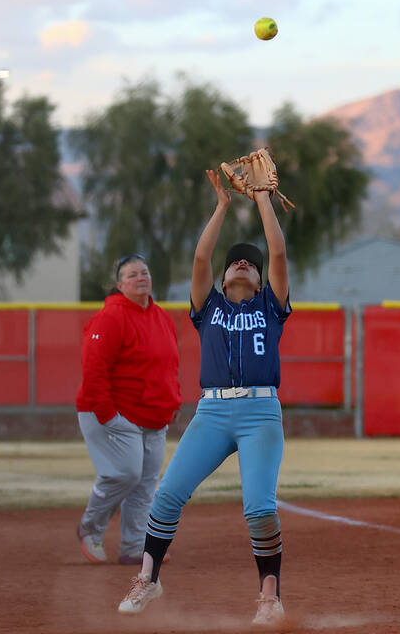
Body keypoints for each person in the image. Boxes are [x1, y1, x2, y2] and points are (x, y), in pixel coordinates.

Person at [117, 169, 291, 627]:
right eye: (236, 261)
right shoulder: (208, 308)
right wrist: (220, 207)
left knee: (259, 507)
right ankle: (148, 579)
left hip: (259, 412)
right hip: (212, 410)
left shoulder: (270, 308)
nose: (241, 264)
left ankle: (269, 597)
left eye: (249, 264)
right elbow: (199, 258)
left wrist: (261, 200)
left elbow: (276, 250)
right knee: (168, 494)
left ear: (258, 280)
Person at [75, 254, 182, 565]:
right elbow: (93, 369)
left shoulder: (161, 318)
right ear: (120, 285)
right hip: (113, 413)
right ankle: (90, 528)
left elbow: (169, 365)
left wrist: (172, 400)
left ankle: (134, 547)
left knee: (146, 485)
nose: (141, 277)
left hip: (153, 415)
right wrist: (107, 414)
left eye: (144, 272)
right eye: (132, 274)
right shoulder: (110, 318)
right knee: (125, 473)